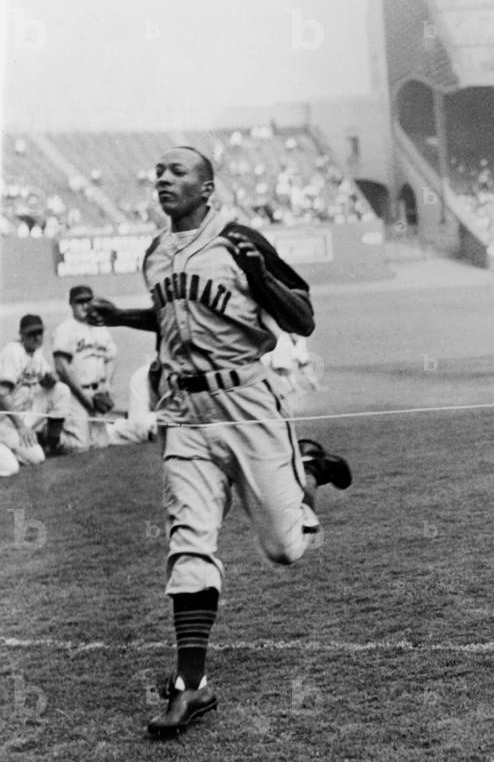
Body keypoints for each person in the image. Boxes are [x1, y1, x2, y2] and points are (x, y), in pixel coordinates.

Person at [86, 146, 352, 738]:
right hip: (184, 412)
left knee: (284, 549)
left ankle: (305, 468)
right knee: (188, 545)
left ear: (207, 189)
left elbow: (303, 318)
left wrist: (259, 276)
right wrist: (121, 317)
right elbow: (174, 314)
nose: (162, 178)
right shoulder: (156, 253)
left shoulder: (239, 241)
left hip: (249, 405)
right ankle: (192, 686)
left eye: (177, 171)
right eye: (157, 170)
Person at [0, 314, 74, 475]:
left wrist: (51, 379)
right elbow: (2, 394)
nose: (36, 337)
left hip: (23, 413)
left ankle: (52, 443)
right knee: (35, 458)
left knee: (61, 390)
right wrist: (21, 427)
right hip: (6, 420)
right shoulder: (13, 352)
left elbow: (46, 383)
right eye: (31, 334)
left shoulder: (36, 354)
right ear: (21, 334)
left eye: (39, 332)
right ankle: (11, 447)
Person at [52, 284, 118, 451]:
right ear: (71, 304)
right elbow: (62, 368)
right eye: (79, 302)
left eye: (88, 301)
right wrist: (84, 398)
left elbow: (110, 358)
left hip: (99, 392)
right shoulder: (66, 329)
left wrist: (107, 385)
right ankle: (52, 439)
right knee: (80, 445)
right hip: (76, 394)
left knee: (102, 444)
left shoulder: (100, 327)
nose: (84, 305)